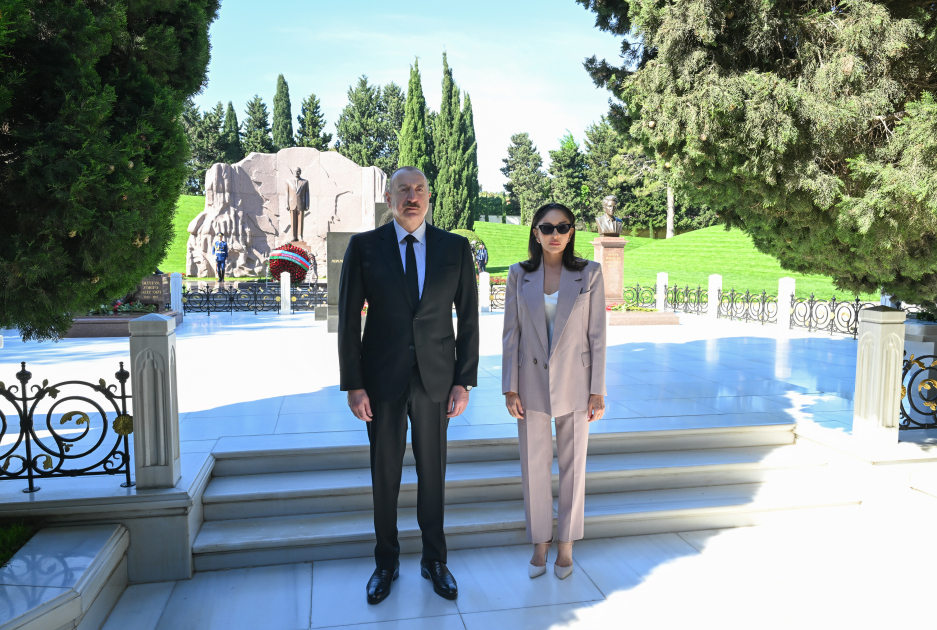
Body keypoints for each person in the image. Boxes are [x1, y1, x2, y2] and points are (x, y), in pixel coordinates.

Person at [338, 166, 479, 605]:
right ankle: (386, 561)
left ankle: (435, 559)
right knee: (385, 473)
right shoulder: (364, 247)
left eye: (419, 189)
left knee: (433, 472)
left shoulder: (455, 248)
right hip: (381, 380)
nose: (412, 197)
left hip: (437, 380)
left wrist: (464, 381)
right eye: (403, 190)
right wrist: (354, 384)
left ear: (429, 196)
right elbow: (347, 321)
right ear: (389, 197)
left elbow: (469, 319)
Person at [501, 202, 607, 580]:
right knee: (534, 466)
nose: (555, 234)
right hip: (530, 381)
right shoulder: (519, 274)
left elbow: (597, 335)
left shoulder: (589, 273)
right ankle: (540, 542)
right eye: (547, 228)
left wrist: (597, 390)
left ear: (571, 231)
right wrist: (509, 388)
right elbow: (511, 334)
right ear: (536, 233)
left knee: (573, 466)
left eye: (563, 227)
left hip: (576, 382)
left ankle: (566, 544)